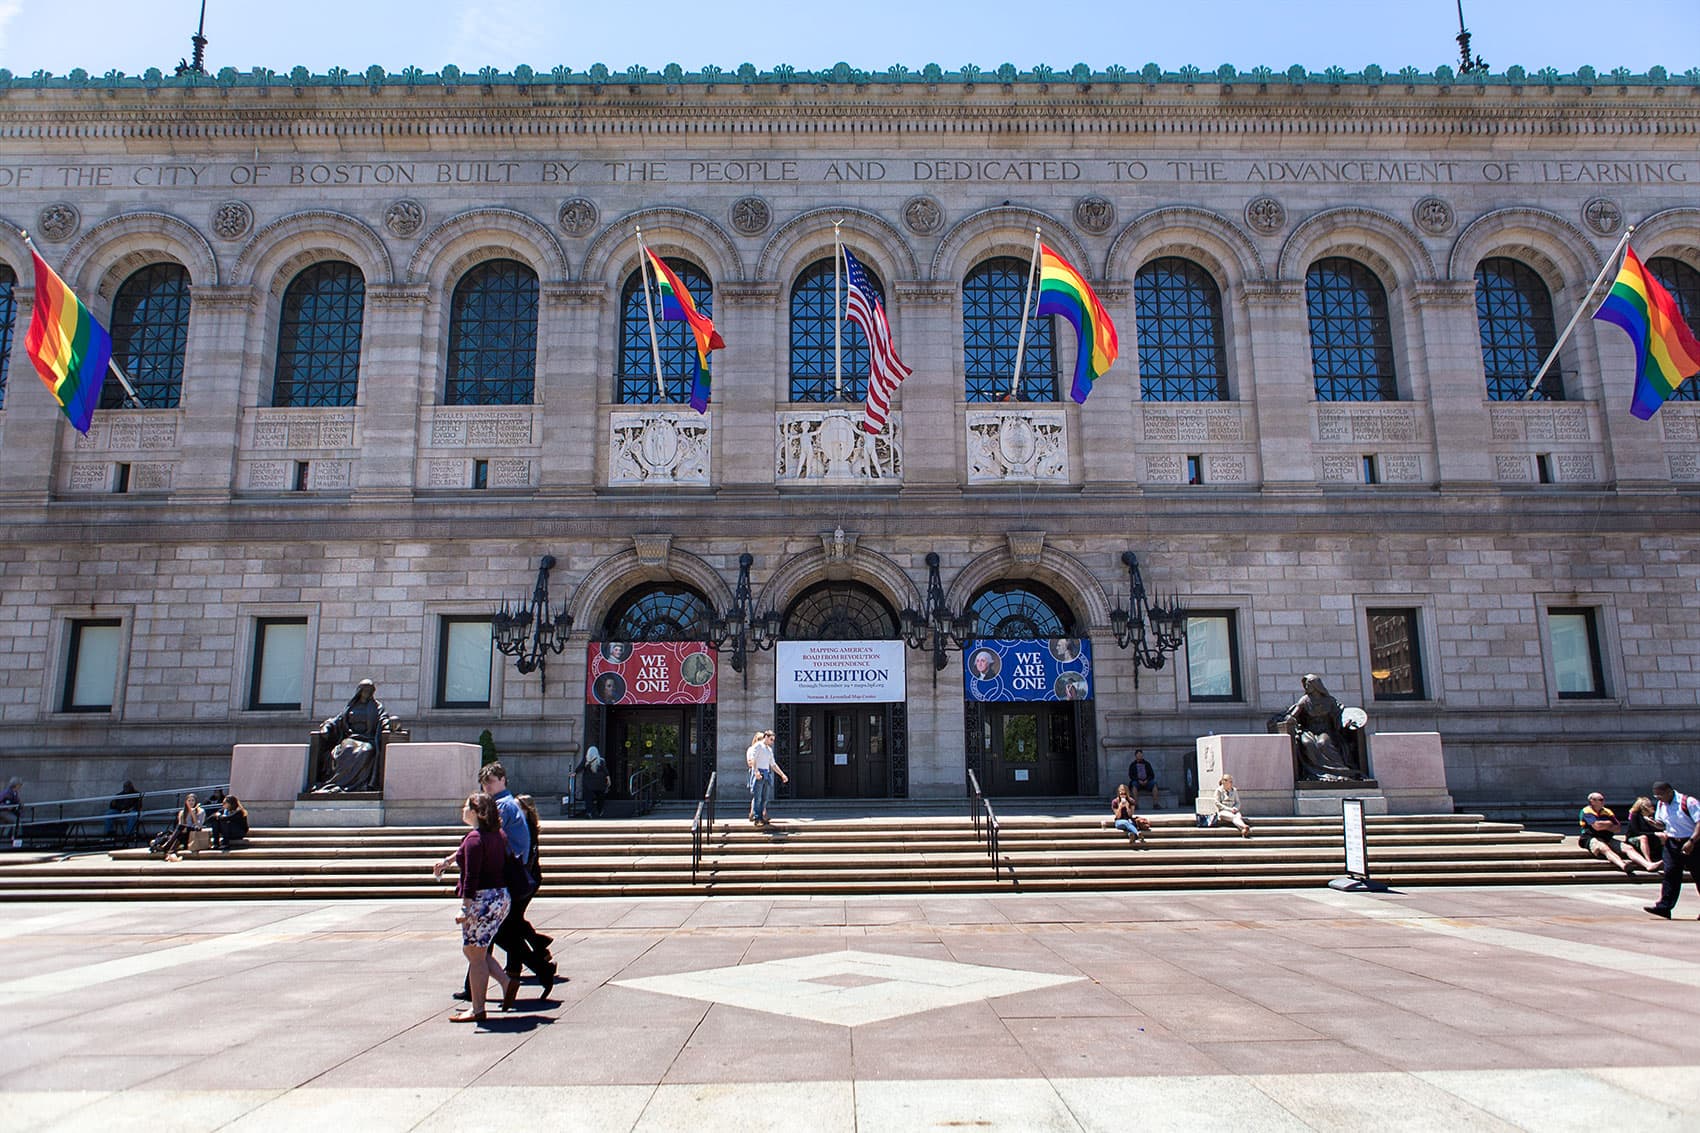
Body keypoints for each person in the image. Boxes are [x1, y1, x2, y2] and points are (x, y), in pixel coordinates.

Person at [432, 792, 517, 1023]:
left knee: (476, 955)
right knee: (475, 950)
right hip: (500, 897)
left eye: (466, 806)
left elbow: (471, 877)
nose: (463, 809)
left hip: (482, 900)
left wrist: (464, 907)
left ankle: (478, 1008)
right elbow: (464, 854)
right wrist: (448, 862)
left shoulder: (474, 839)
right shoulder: (495, 835)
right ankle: (506, 982)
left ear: (478, 812)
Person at [480, 763, 555, 998]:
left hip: (506, 879)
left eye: (490, 782)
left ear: (503, 780)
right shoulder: (507, 805)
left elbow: (486, 839)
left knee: (499, 932)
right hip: (509, 878)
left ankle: (536, 966)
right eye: (484, 783)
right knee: (501, 931)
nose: (486, 787)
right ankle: (533, 965)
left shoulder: (502, 806)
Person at [508, 794, 561, 992]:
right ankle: (534, 951)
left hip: (524, 880)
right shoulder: (526, 825)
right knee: (513, 921)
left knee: (512, 922)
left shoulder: (525, 828)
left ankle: (533, 954)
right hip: (527, 879)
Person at [312, 679, 398, 792]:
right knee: (347, 749)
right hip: (352, 738)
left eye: (369, 690)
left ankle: (356, 785)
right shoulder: (351, 707)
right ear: (360, 691)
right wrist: (326, 727)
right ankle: (337, 783)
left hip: (368, 739)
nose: (367, 693)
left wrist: (391, 725)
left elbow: (383, 719)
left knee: (366, 751)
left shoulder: (377, 707)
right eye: (365, 690)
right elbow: (337, 720)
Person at [1280, 674, 1365, 782]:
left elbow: (1339, 716)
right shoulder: (1305, 700)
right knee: (1307, 743)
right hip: (1310, 731)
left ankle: (1340, 771)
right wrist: (1290, 718)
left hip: (1325, 730)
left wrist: (1347, 722)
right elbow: (1293, 714)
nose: (1306, 687)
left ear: (1316, 686)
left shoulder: (1329, 700)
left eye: (1308, 685)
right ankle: (1317, 773)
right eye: (1305, 685)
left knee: (1323, 743)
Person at [1644, 781, 1700, 920]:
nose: (1658, 799)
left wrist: (1691, 841)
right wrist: (1655, 824)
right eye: (1656, 796)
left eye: (1660, 795)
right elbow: (1663, 823)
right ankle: (1664, 907)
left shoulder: (1688, 802)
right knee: (1670, 875)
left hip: (1693, 842)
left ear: (1669, 791)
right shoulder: (1662, 804)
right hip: (1673, 843)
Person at [1578, 793, 1633, 874]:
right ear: (1592, 801)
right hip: (1591, 838)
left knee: (1628, 848)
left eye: (1603, 799)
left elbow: (1618, 828)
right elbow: (1597, 826)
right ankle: (1623, 865)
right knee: (1605, 848)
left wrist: (1603, 825)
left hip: (1606, 837)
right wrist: (1609, 824)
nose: (1603, 801)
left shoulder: (1607, 811)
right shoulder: (1586, 811)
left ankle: (1648, 864)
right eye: (1600, 800)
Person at [746, 729, 787, 825]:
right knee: (758, 797)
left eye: (773, 740)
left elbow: (773, 764)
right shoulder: (758, 746)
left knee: (765, 798)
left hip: (767, 774)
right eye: (771, 739)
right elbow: (753, 759)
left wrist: (782, 774)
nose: (772, 742)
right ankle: (757, 818)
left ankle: (762, 816)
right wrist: (756, 771)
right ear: (766, 737)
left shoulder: (769, 749)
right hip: (759, 773)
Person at [1624, 797, 1665, 874]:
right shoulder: (1635, 815)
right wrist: (1654, 834)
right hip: (1634, 838)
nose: (1652, 807)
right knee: (1643, 837)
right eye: (1649, 805)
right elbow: (1636, 831)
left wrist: (1654, 824)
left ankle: (1664, 857)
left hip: (1649, 837)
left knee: (1664, 836)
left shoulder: (1651, 817)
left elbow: (1659, 829)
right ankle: (1648, 861)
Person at [161, 793, 206, 861]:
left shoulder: (201, 811)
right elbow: (180, 824)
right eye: (189, 800)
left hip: (194, 832)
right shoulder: (182, 812)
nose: (191, 802)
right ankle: (170, 851)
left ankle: (167, 845)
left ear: (196, 801)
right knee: (180, 833)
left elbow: (199, 825)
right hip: (183, 833)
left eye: (192, 800)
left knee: (181, 829)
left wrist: (193, 814)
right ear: (186, 802)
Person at [1214, 774, 1252, 839]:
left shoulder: (1234, 790)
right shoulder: (1218, 790)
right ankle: (1244, 826)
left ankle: (1244, 830)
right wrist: (1229, 809)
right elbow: (1217, 803)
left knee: (1238, 816)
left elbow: (1238, 802)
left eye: (1231, 781)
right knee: (1234, 817)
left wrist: (1235, 808)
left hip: (1233, 810)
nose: (1231, 783)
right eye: (1230, 781)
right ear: (1224, 782)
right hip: (1223, 811)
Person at [577, 746, 610, 817]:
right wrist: (608, 780)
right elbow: (605, 771)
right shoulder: (601, 761)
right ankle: (600, 810)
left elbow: (580, 767)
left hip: (588, 784)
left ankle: (589, 812)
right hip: (600, 783)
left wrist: (574, 773)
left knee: (588, 798)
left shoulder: (586, 761)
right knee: (600, 797)